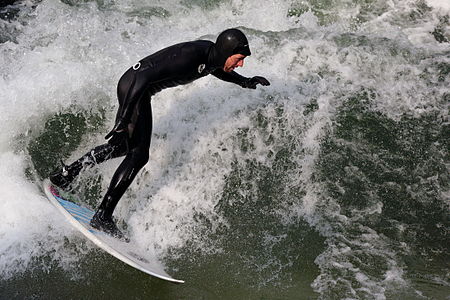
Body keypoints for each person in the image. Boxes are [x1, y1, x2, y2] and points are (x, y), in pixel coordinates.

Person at [49, 28, 270, 240]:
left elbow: (217, 70)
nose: (241, 63)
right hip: (135, 88)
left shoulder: (212, 59)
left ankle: (66, 175)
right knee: (138, 155)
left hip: (138, 89)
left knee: (123, 149)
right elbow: (143, 75)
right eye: (239, 58)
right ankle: (103, 216)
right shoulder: (192, 56)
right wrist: (123, 119)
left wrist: (245, 81)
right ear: (225, 52)